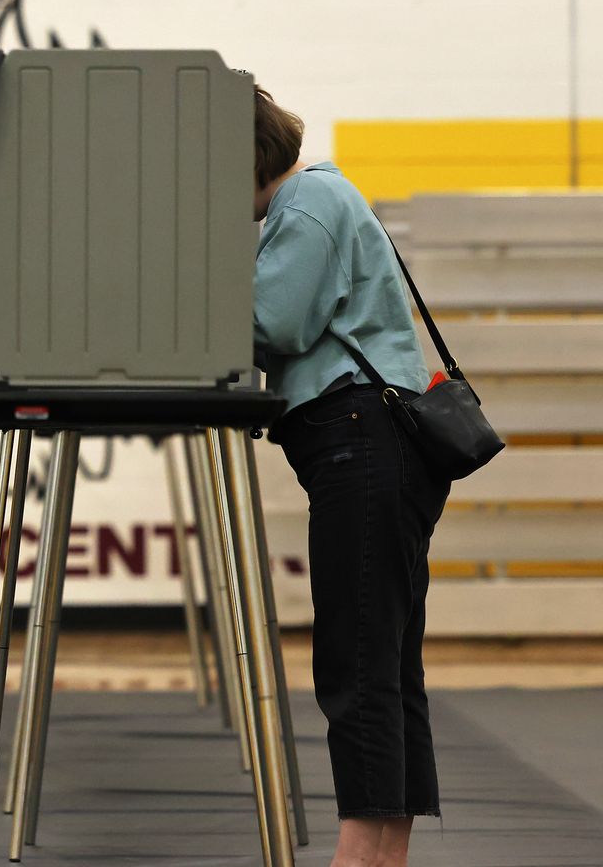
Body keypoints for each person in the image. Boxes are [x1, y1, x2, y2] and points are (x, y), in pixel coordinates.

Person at [251, 85, 447, 867]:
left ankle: (358, 853)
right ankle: (383, 849)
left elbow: (276, 321)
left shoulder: (303, 206)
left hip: (358, 436)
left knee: (355, 655)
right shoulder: (324, 195)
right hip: (382, 441)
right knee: (386, 659)